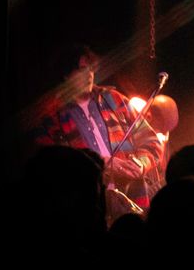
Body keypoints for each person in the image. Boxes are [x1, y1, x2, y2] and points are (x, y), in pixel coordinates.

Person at [31, 47, 163, 223]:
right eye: (81, 69)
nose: (89, 74)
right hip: (87, 209)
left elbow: (151, 140)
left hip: (134, 203)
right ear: (66, 75)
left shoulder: (114, 99)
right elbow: (51, 168)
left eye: (91, 68)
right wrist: (103, 163)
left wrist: (140, 164)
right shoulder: (51, 116)